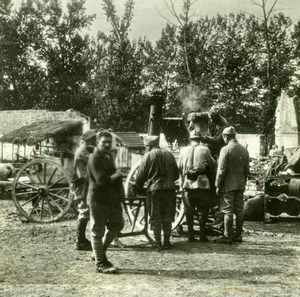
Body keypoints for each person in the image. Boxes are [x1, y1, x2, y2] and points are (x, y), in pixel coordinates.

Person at [87, 130, 124, 274]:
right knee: (97, 231)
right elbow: (102, 181)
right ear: (97, 143)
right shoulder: (94, 158)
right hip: (98, 199)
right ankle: (100, 263)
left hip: (111, 199)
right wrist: (117, 174)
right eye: (104, 142)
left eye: (110, 142)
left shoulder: (107, 157)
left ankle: (99, 252)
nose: (108, 144)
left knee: (118, 224)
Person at [135, 135, 179, 251]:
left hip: (154, 191)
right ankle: (167, 242)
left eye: (146, 147)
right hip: (170, 190)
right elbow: (176, 175)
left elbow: (140, 177)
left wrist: (139, 189)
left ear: (149, 146)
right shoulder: (169, 155)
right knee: (168, 216)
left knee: (155, 217)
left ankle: (158, 243)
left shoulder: (148, 156)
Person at [178, 130, 216, 242]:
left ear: (190, 139)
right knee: (203, 210)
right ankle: (202, 235)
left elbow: (179, 166)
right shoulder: (205, 149)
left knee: (189, 210)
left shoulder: (183, 150)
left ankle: (191, 235)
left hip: (187, 184)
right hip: (202, 184)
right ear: (200, 139)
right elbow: (212, 166)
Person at [215, 126, 250, 244]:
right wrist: (243, 183)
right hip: (240, 185)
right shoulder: (244, 150)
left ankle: (227, 236)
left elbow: (221, 170)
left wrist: (218, 185)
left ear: (226, 137)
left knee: (227, 210)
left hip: (228, 185)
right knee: (239, 210)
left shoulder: (225, 149)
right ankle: (238, 235)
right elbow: (247, 170)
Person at [73, 130, 96, 251]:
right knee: (84, 210)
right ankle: (79, 240)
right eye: (93, 141)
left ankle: (81, 239)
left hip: (84, 183)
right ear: (90, 141)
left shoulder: (85, 150)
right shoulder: (82, 151)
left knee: (85, 210)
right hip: (81, 184)